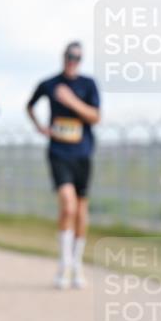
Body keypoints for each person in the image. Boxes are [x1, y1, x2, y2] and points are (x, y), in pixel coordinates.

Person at [27, 41, 101, 289]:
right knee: (67, 205)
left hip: (83, 152)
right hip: (59, 152)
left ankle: (78, 263)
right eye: (70, 56)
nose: (73, 60)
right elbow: (30, 105)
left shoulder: (88, 85)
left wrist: (71, 102)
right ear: (63, 57)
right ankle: (64, 263)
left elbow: (96, 117)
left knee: (81, 209)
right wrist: (39, 127)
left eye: (78, 57)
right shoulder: (49, 84)